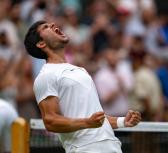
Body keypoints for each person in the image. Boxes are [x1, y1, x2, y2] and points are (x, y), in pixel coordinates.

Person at [24, 20, 141, 153]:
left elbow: (94, 118)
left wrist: (122, 121)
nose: (53, 25)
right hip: (85, 149)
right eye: (46, 27)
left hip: (111, 146)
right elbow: (50, 121)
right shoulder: (45, 76)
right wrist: (87, 123)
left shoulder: (80, 71)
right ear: (41, 43)